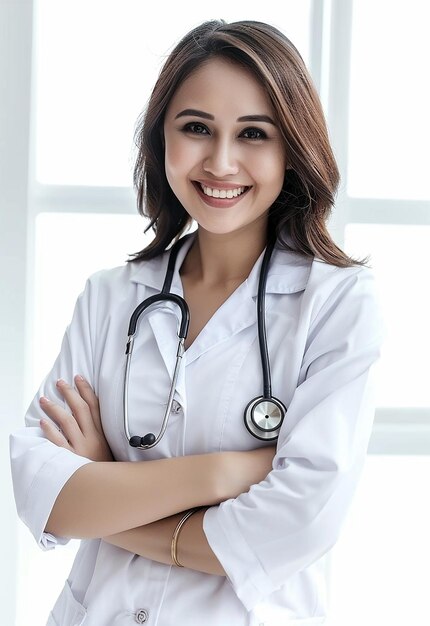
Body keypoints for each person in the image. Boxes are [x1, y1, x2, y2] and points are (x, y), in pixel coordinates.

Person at [10, 19, 383, 626]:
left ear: (293, 149)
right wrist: (227, 472)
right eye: (196, 129)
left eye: (254, 133)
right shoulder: (110, 297)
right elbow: (41, 491)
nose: (222, 161)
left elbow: (297, 524)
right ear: (163, 139)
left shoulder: (337, 303)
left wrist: (106, 490)